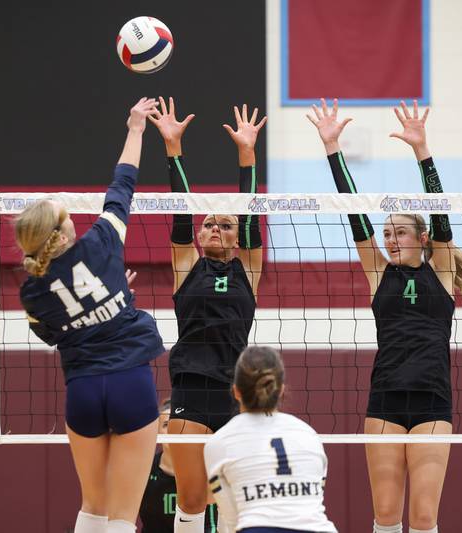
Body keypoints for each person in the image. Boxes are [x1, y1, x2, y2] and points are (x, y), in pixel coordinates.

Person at [307, 98, 462, 533]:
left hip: (432, 403)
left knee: (424, 517)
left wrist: (421, 151)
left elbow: (441, 213)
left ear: (422, 238)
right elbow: (354, 213)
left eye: (399, 232)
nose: (390, 240)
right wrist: (332, 148)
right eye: (386, 233)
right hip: (385, 402)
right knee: (386, 515)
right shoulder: (378, 272)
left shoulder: (440, 270)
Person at [16, 97, 165, 533]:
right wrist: (135, 129)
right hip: (130, 383)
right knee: (123, 516)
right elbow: (123, 186)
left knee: (93, 508)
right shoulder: (101, 242)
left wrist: (104, 302)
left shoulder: (32, 291)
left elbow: (52, 334)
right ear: (64, 230)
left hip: (82, 391)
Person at [148, 97, 266, 533]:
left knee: (235, 500)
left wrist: (246, 153)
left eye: (226, 225)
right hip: (191, 388)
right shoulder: (186, 266)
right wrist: (172, 147)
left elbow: (252, 214)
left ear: (238, 238)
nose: (215, 227)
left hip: (237, 394)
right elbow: (180, 211)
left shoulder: (248, 269)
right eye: (209, 223)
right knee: (192, 498)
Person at [203, 345, 337, 533]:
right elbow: (314, 501)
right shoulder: (309, 435)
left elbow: (233, 519)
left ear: (236, 392)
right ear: (281, 390)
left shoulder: (219, 442)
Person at [139, 399, 218, 532]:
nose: (173, 430)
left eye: (179, 425)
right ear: (157, 432)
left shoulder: (206, 469)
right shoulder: (144, 470)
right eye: (165, 425)